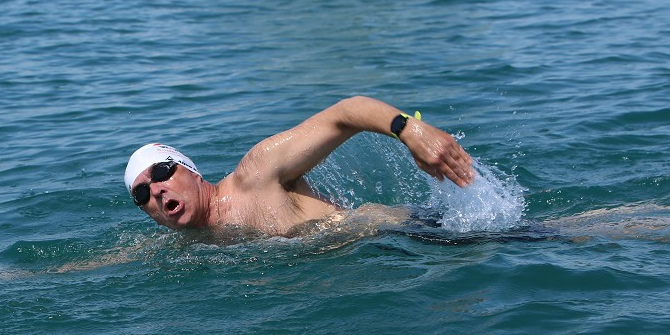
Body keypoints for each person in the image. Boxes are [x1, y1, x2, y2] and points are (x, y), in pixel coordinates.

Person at [124, 95, 475, 236]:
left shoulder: (256, 175)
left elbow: (344, 114)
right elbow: (111, 259)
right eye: (142, 193)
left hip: (418, 233)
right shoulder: (191, 243)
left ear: (192, 171)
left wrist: (409, 129)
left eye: (162, 171)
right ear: (149, 213)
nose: (155, 189)